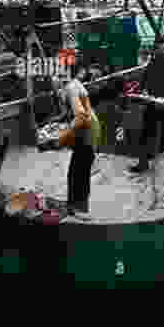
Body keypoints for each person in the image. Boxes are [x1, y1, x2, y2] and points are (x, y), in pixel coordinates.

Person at [58, 66, 101, 218]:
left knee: (80, 171)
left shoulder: (71, 88)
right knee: (76, 169)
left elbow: (81, 116)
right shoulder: (73, 85)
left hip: (87, 132)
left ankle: (79, 208)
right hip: (87, 130)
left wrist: (63, 135)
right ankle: (73, 204)